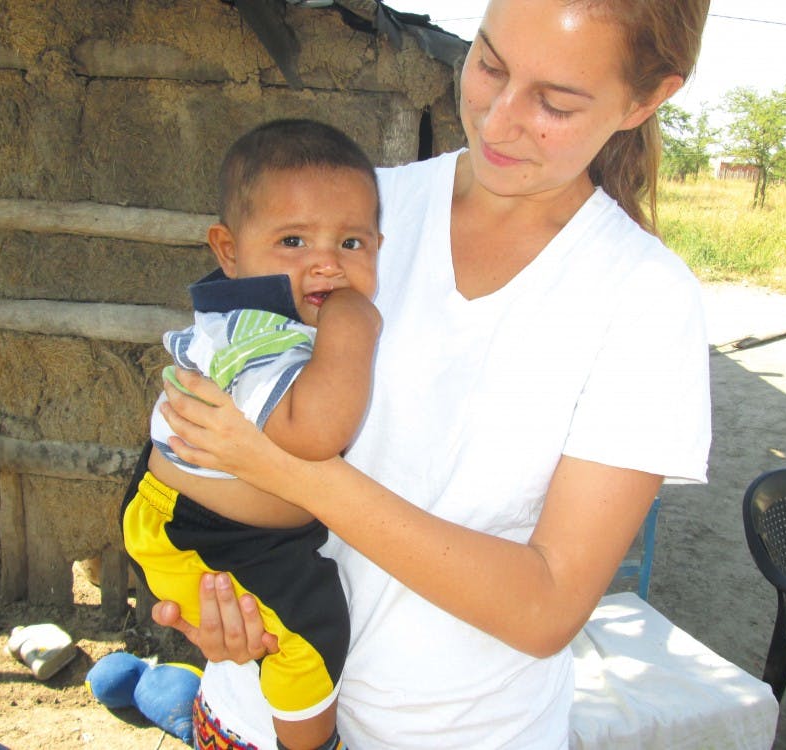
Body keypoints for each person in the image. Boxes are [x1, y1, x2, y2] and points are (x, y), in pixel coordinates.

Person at [153, 1, 713, 747]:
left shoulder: (646, 298)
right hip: (256, 715)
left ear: (647, 99)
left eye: (554, 101)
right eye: (489, 64)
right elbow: (195, 409)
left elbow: (546, 608)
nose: (499, 118)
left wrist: (287, 470)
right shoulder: (350, 212)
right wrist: (211, 591)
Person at [121, 118, 382, 750]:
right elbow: (316, 432)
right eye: (294, 240)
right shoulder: (257, 331)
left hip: (201, 516)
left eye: (352, 244)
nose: (326, 262)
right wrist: (354, 329)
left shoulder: (256, 318)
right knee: (311, 627)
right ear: (229, 250)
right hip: (207, 530)